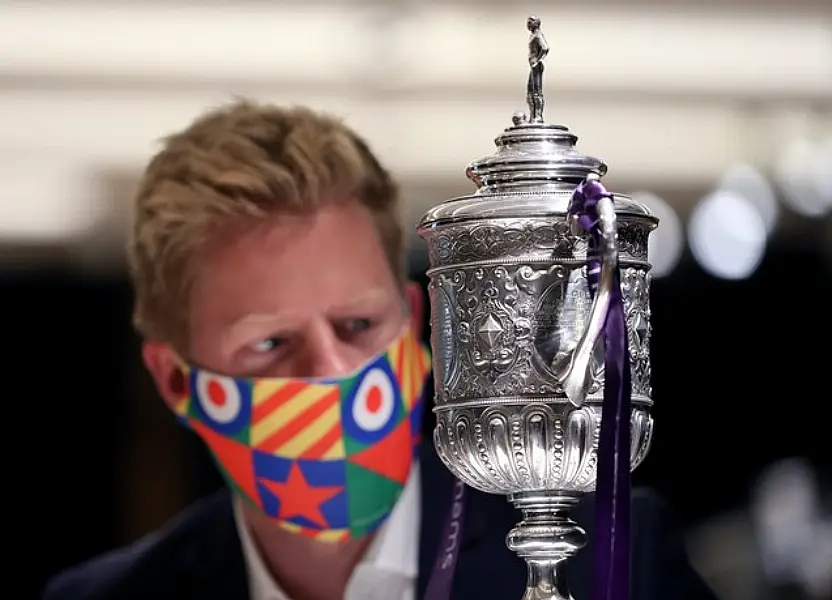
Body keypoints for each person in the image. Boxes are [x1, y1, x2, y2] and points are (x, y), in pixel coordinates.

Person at [42, 100, 718, 600]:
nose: (333, 370)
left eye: (359, 325)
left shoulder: (617, 557)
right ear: (177, 383)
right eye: (271, 342)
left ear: (417, 322)